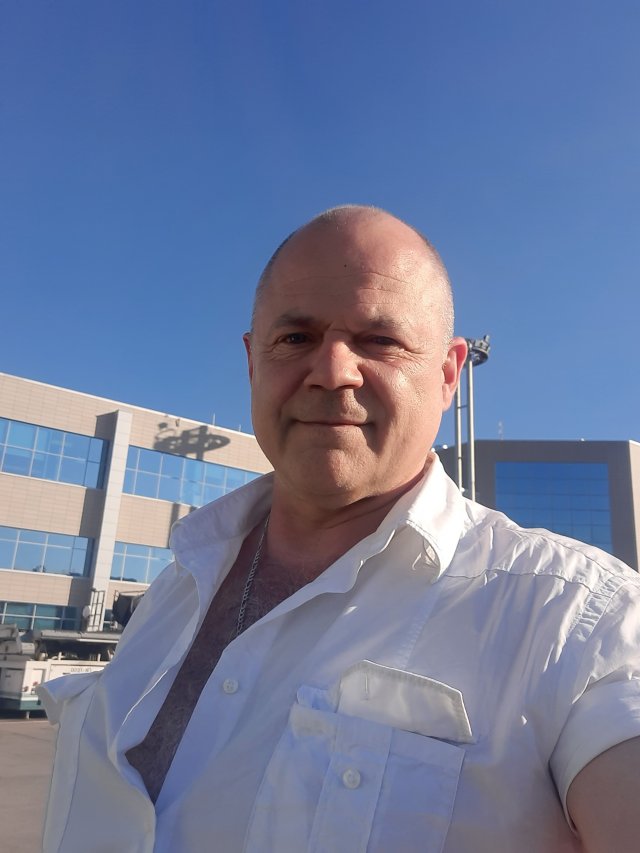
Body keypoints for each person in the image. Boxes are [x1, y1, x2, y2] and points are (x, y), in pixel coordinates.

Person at [40, 205, 640, 852]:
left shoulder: (576, 622)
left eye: (379, 340)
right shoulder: (173, 592)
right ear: (253, 363)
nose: (332, 371)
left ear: (448, 375)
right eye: (296, 337)